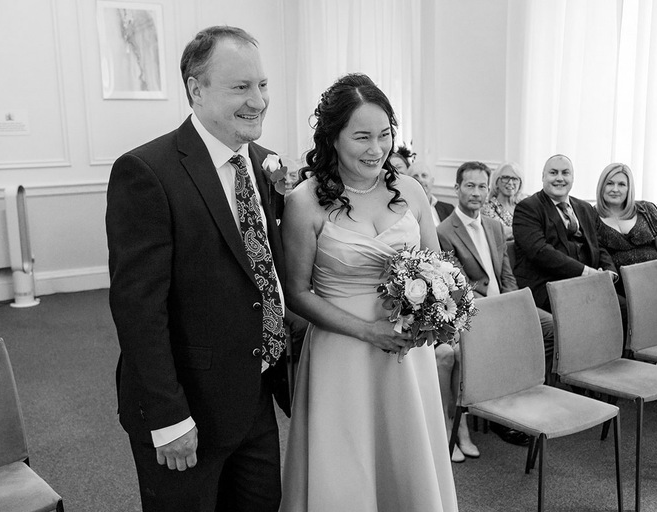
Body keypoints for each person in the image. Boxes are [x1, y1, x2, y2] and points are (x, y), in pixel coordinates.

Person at [106, 26, 288, 512]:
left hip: (255, 394)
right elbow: (138, 310)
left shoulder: (267, 166)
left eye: (263, 85)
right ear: (196, 90)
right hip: (186, 407)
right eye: (240, 87)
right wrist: (168, 418)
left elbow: (264, 275)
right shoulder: (146, 172)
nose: (258, 100)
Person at [280, 73, 458, 511]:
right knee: (346, 464)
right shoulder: (306, 201)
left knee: (405, 456)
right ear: (333, 138)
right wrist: (367, 331)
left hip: (404, 354)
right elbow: (297, 294)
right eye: (362, 136)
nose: (376, 149)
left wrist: (434, 317)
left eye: (384, 135)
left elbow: (440, 271)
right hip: (341, 353)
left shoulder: (412, 191)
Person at [437, 161, 554, 460]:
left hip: (501, 304)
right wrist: (499, 314)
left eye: (482, 186)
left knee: (548, 326)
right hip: (472, 311)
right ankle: (466, 424)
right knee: (461, 352)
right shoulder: (444, 231)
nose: (476, 192)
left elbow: (507, 276)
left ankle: (521, 408)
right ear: (457, 188)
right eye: (470, 185)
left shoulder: (494, 226)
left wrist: (516, 308)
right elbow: (457, 288)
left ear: (489, 190)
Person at [512, 154, 617, 313]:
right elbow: (541, 252)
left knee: (625, 307)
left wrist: (609, 271)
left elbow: (599, 245)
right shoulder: (527, 208)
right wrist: (588, 273)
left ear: (573, 178)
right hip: (549, 286)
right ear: (543, 177)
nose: (559, 178)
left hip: (587, 284)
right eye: (553, 173)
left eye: (565, 173)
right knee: (598, 312)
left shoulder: (585, 208)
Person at [595, 163, 657, 294]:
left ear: (629, 188)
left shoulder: (647, 210)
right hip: (618, 291)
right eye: (609, 183)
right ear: (601, 186)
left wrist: (654, 271)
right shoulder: (591, 217)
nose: (615, 189)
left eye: (621, 184)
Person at [482, 161, 526, 240]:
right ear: (496, 182)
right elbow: (498, 233)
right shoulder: (488, 208)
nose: (510, 182)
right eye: (505, 178)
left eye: (514, 179)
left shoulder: (526, 205)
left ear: (520, 183)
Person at [410, 160, 454, 225]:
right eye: (415, 176)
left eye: (424, 175)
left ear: (432, 181)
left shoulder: (449, 209)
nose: (420, 180)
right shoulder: (406, 212)